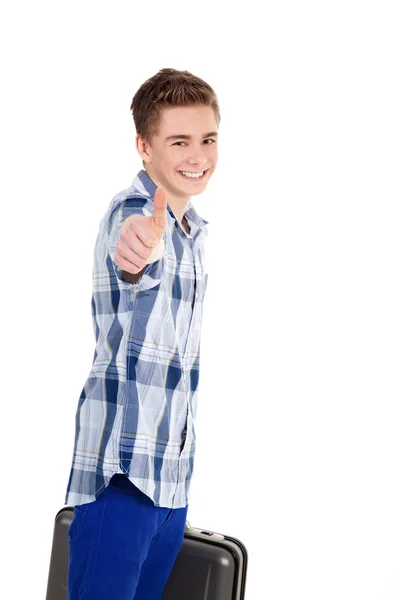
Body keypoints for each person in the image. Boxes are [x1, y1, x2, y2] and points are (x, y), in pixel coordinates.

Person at [65, 68, 220, 600]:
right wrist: (140, 254)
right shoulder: (134, 215)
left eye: (207, 139)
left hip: (171, 484)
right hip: (121, 482)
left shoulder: (193, 232)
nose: (197, 155)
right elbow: (134, 260)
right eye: (179, 141)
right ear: (144, 147)